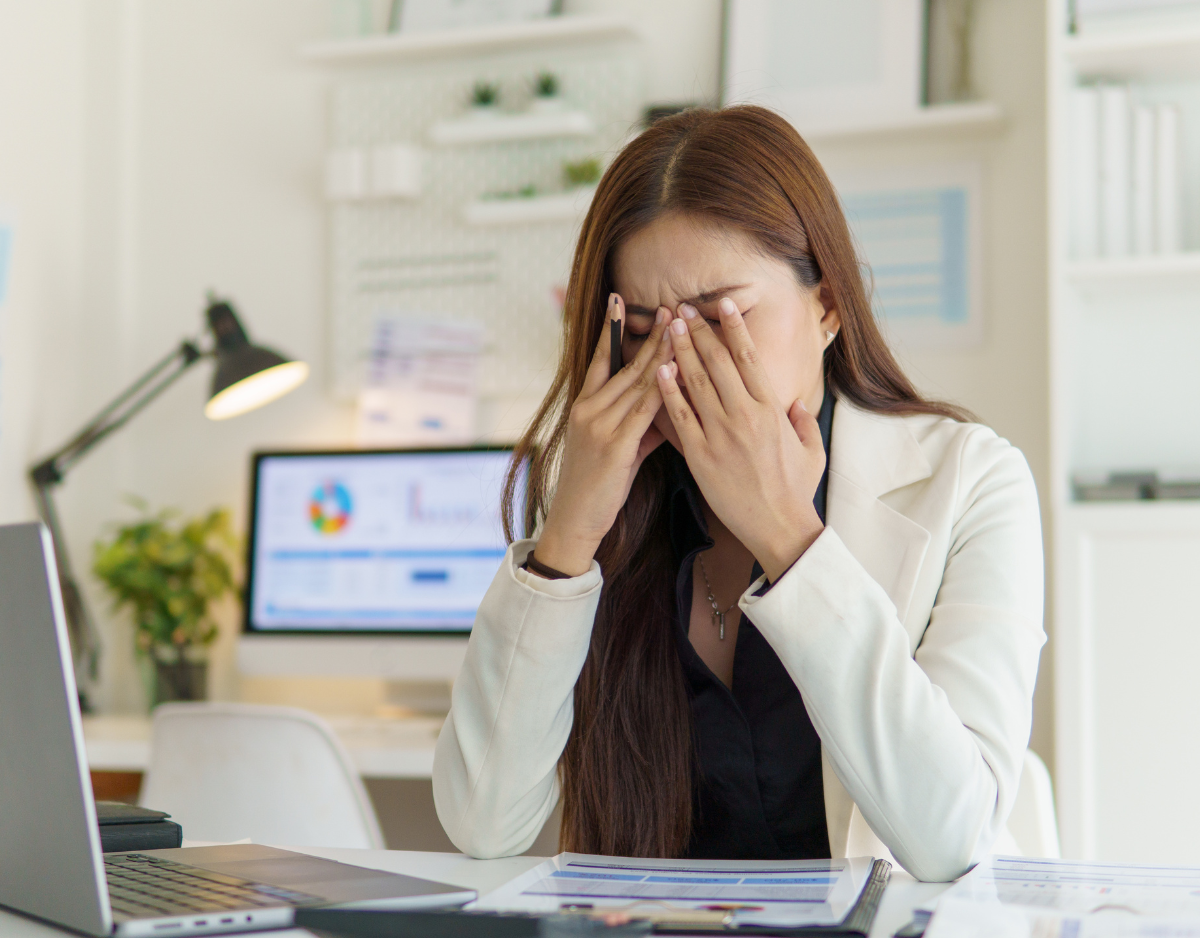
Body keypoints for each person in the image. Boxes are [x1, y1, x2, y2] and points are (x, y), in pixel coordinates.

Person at [432, 105, 1044, 882]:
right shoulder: (606, 500)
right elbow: (484, 825)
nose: (680, 361)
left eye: (723, 317)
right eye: (647, 327)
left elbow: (951, 835)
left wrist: (789, 537)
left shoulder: (972, 480)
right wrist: (567, 541)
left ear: (826, 305)